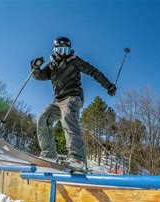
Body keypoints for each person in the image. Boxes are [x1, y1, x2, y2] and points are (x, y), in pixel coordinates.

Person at [31, 36, 116, 170]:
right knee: (43, 118)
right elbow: (40, 76)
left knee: (68, 117)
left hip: (73, 97)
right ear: (55, 50)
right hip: (57, 100)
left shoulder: (75, 60)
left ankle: (78, 158)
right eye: (61, 50)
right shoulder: (52, 66)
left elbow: (93, 71)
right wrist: (35, 68)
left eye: (67, 50)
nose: (64, 53)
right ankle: (49, 154)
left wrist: (109, 86)